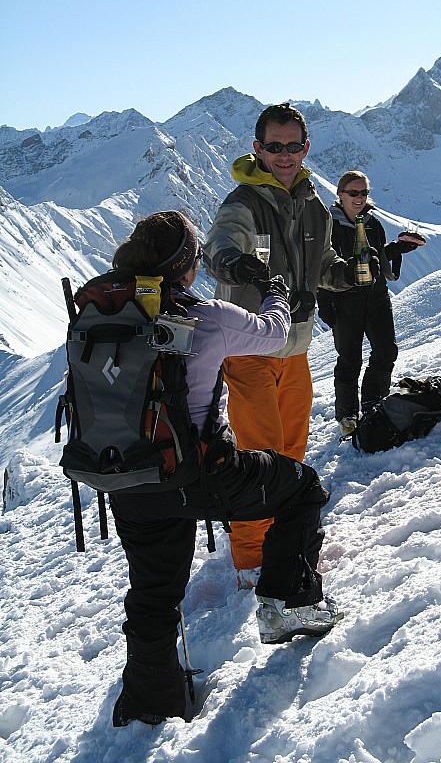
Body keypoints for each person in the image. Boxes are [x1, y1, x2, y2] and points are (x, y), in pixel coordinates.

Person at [103, 211, 342, 727]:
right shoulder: (208, 317)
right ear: (187, 268)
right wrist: (276, 291)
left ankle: (149, 701)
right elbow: (275, 334)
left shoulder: (106, 312)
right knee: (300, 488)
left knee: (153, 590)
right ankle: (287, 605)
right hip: (199, 474)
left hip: (125, 477)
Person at [203, 104, 376, 587]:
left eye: (292, 146)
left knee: (292, 451)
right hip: (249, 348)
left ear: (305, 148)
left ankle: (288, 538)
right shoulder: (243, 203)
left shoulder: (314, 205)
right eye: (274, 146)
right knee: (259, 454)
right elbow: (218, 247)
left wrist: (348, 274)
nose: (284, 155)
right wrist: (238, 267)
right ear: (257, 149)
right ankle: (252, 560)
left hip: (295, 349)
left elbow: (322, 265)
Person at [316, 171, 426, 436]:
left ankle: (374, 405)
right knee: (349, 360)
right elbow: (320, 268)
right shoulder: (328, 227)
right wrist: (326, 304)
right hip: (345, 303)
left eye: (363, 193)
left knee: (386, 352)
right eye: (353, 193)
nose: (359, 198)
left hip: (376, 298)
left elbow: (377, 261)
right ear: (340, 195)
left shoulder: (373, 224)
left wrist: (396, 250)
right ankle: (347, 417)